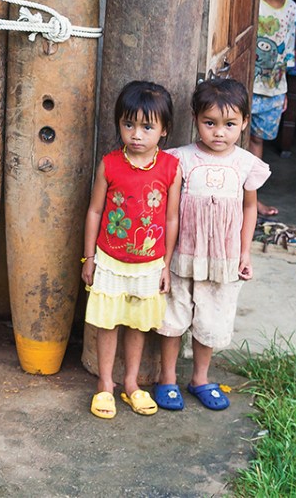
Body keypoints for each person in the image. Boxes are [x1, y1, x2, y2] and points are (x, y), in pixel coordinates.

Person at [154, 78, 270, 412]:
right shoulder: (180, 160)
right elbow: (169, 211)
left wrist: (245, 251)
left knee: (212, 320)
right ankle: (167, 379)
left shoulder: (246, 164)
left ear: (245, 123)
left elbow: (250, 208)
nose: (219, 132)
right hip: (182, 256)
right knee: (173, 318)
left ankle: (201, 379)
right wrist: (162, 257)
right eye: (210, 123)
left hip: (224, 260)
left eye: (230, 124)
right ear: (195, 119)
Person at [82, 81, 183, 419]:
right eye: (128, 124)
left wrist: (166, 265)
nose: (136, 134)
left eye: (147, 126)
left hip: (149, 264)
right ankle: (105, 385)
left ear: (164, 130)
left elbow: (171, 219)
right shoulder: (110, 164)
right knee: (108, 324)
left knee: (138, 325)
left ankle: (130, 384)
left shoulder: (170, 168)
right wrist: (90, 258)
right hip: (110, 261)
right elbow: (95, 211)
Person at [250, 0, 296, 216]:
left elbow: (288, 50)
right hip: (246, 88)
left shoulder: (291, 8)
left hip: (273, 90)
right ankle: (231, 199)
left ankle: (250, 199)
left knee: (257, 142)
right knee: (232, 142)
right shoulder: (251, 1)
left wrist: (285, 92)